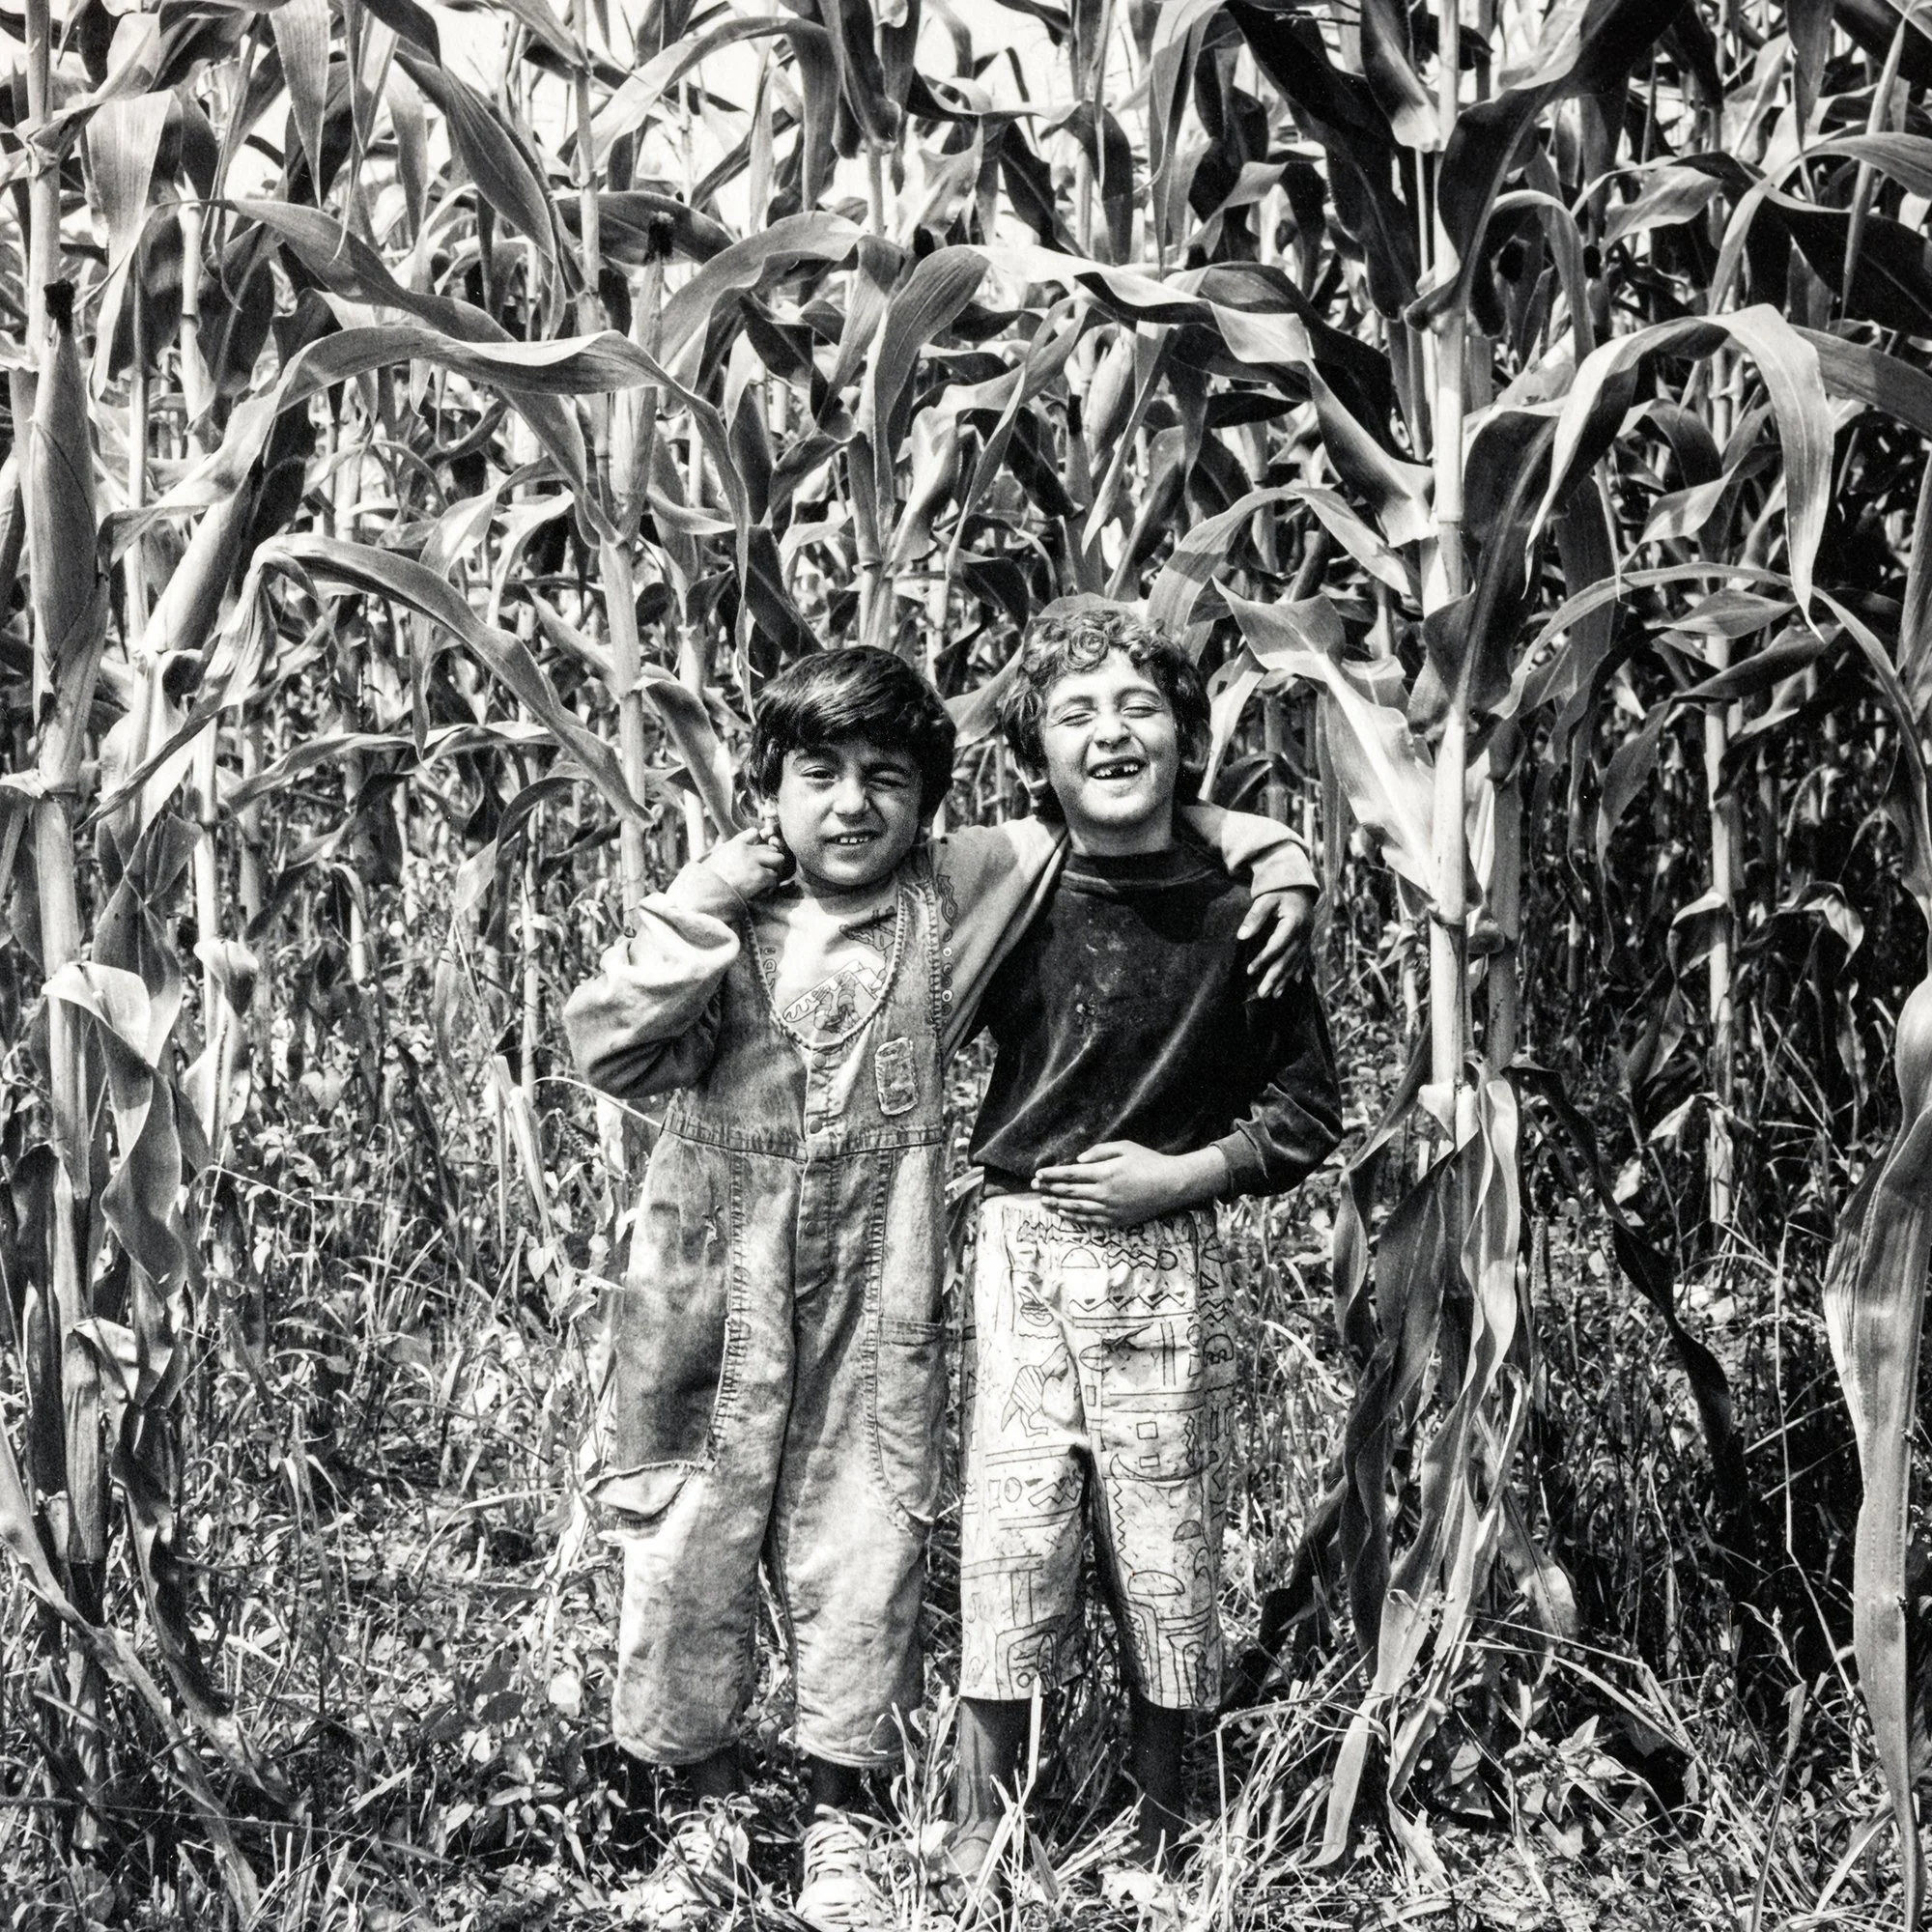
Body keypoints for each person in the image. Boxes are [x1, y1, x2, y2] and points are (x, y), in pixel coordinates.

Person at [561, 644, 1317, 1931]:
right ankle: (705, 1811)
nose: (852, 806)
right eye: (818, 777)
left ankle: (843, 1820)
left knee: (867, 1526)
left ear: (929, 803)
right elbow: (613, 1049)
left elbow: (1119, 803)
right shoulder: (724, 916)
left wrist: (1280, 853)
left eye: (886, 780)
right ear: (768, 791)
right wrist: (702, 895)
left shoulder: (954, 890)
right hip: (703, 1275)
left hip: (877, 1267)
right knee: (689, 1532)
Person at [949, 606, 1344, 1899]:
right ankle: (982, 1844)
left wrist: (1186, 1172)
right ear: (1036, 754)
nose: (1109, 733)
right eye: (1075, 714)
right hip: (1019, 1251)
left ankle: (1165, 1842)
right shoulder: (1012, 889)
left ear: (1185, 729)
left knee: (1169, 1555)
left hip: (1170, 1260)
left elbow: (1304, 1113)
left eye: (1137, 706)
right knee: (1012, 1547)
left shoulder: (1247, 910)